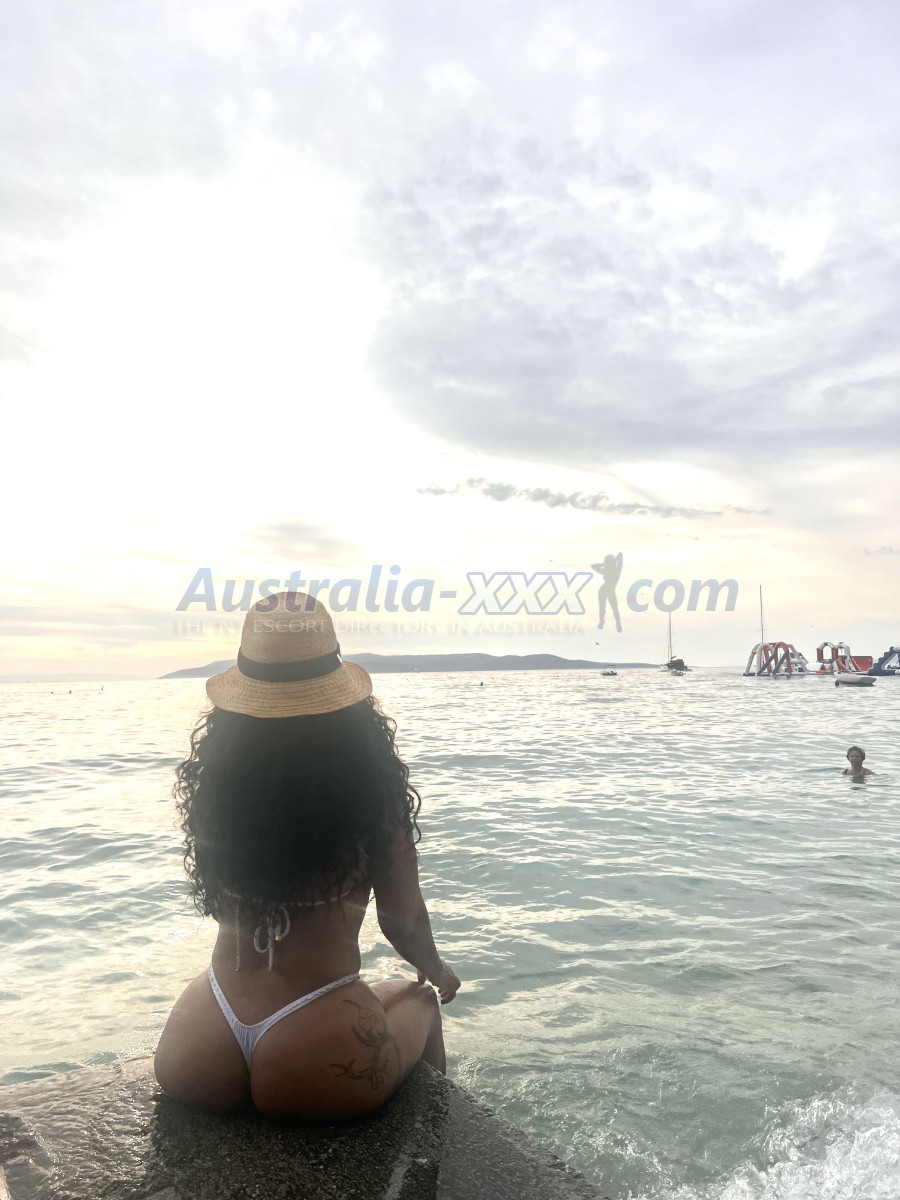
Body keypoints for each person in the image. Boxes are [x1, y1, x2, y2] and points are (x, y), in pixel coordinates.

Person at [154, 591, 460, 1120]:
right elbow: (402, 919)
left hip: (201, 1037)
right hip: (318, 1047)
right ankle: (437, 1149)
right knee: (423, 1001)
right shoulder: (371, 791)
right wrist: (437, 969)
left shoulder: (219, 788)